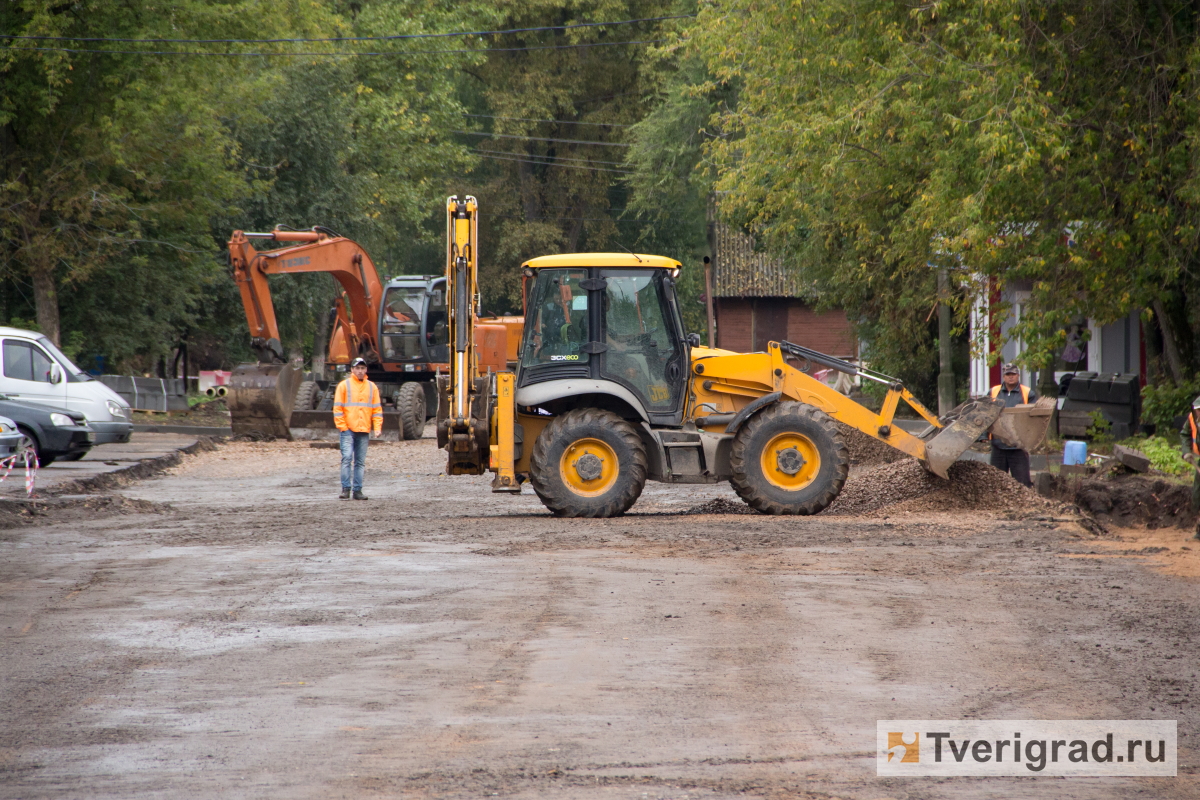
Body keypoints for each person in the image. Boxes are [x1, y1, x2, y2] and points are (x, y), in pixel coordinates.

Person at [333, 356, 382, 500]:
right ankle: (346, 489)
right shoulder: (344, 385)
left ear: (366, 369)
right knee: (347, 458)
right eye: (357, 368)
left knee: (360, 462)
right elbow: (338, 408)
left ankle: (357, 490)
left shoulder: (372, 387)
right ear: (352, 370)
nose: (360, 371)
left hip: (363, 429)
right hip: (348, 428)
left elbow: (376, 409)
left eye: (362, 368)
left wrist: (377, 427)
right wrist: (342, 426)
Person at [989, 363, 1037, 487]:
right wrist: (984, 435)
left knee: (1022, 483)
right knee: (996, 483)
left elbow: (1034, 418)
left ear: (1018, 375)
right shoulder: (993, 392)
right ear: (1003, 376)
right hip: (998, 444)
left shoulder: (1028, 393)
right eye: (1008, 374)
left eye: (1013, 374)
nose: (1011, 377)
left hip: (1019, 446)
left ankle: (1026, 505)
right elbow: (985, 414)